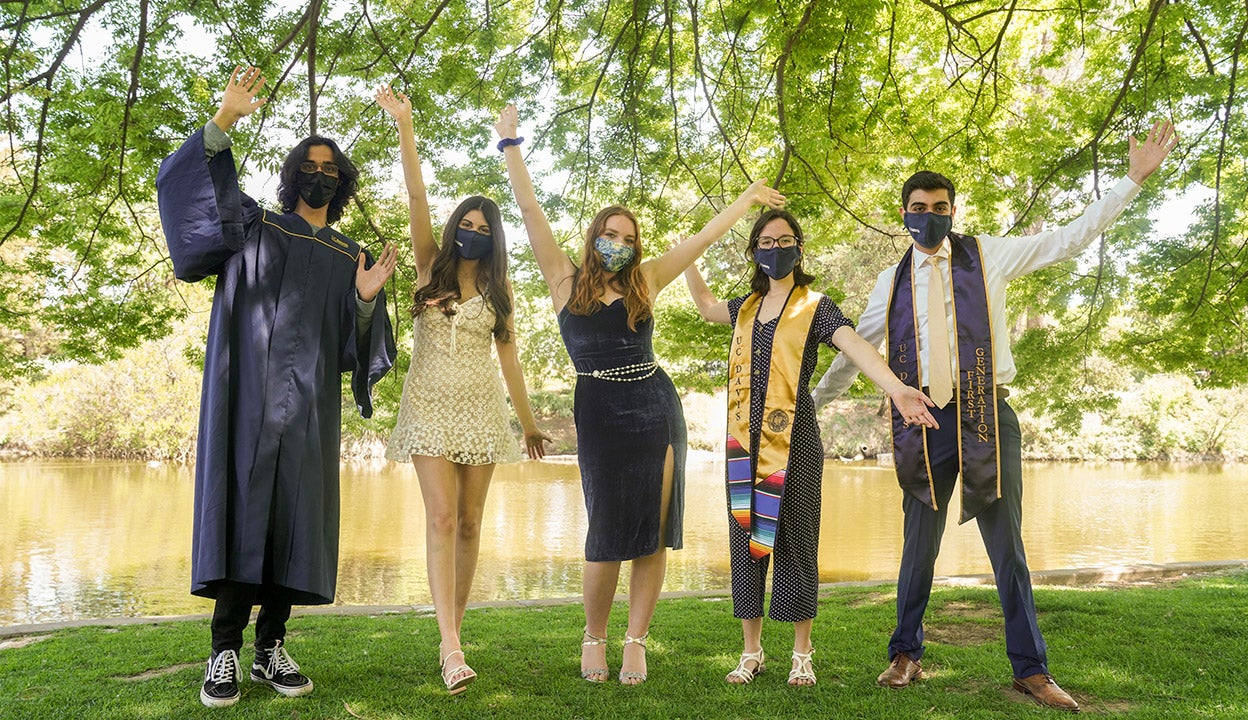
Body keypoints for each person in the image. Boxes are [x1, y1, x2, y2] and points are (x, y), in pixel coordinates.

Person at [812, 121, 1179, 711]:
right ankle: (905, 654)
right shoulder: (891, 280)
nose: (928, 214)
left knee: (1008, 547)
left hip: (988, 417)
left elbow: (1071, 238)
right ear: (903, 214)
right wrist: (812, 403)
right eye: (917, 207)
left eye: (939, 206)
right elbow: (857, 351)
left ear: (953, 210)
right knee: (917, 548)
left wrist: (1132, 180)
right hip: (923, 420)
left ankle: (1030, 669)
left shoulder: (991, 256)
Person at [496, 104, 785, 685]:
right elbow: (529, 212)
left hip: (656, 408)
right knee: (604, 531)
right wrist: (511, 145)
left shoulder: (647, 278)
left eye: (627, 237)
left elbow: (700, 239)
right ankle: (594, 637)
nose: (618, 244)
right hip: (599, 411)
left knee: (652, 531)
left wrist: (746, 198)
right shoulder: (561, 278)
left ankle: (635, 640)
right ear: (594, 235)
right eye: (610, 234)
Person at [156, 65, 398, 709]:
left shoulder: (351, 255)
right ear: (294, 176)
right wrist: (224, 119)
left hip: (309, 412)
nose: (320, 174)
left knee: (294, 521)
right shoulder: (254, 227)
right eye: (310, 165)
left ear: (341, 183)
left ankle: (271, 649)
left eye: (331, 168)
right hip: (247, 406)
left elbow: (357, 349)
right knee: (244, 514)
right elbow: (195, 207)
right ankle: (223, 654)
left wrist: (368, 302)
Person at [684, 209, 937, 687]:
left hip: (795, 440)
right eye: (765, 241)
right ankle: (751, 651)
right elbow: (704, 305)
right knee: (747, 543)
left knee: (797, 542)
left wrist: (896, 388)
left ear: (799, 248)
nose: (774, 249)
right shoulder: (744, 307)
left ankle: (803, 653)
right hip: (743, 440)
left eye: (784, 241)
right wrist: (690, 252)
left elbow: (856, 345)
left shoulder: (815, 306)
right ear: (754, 251)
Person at [376, 86, 550, 694]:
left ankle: (456, 628)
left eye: (483, 227)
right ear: (455, 229)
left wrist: (527, 424)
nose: (472, 232)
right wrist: (405, 127)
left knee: (472, 525)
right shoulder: (430, 267)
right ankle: (450, 647)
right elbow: (417, 194)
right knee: (443, 516)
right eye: (466, 224)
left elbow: (512, 364)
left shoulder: (501, 294)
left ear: (493, 237)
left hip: (482, 412)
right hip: (427, 408)